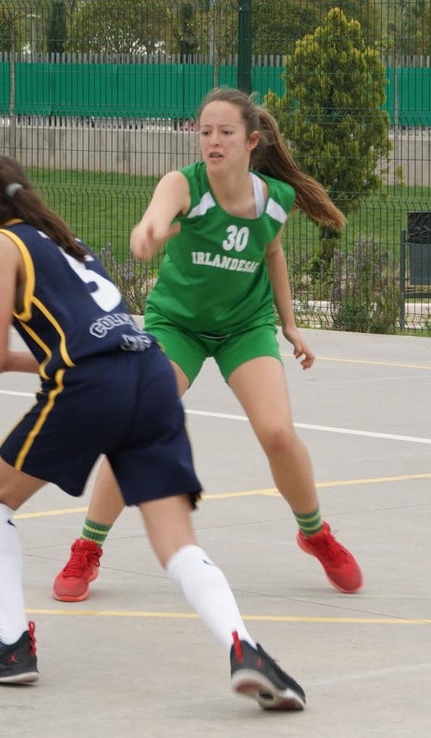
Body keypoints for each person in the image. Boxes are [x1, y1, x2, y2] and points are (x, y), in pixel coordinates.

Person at [0, 154, 306, 709]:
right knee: (177, 544)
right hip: (149, 375)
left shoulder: (1, 243)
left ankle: (10, 644)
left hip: (92, 386)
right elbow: (57, 350)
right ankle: (248, 649)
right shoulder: (67, 244)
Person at [52, 87, 362, 603]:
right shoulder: (185, 184)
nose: (212, 141)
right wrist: (146, 235)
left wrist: (289, 325)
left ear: (251, 141)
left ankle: (315, 534)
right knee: (135, 429)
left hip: (245, 325)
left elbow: (273, 253)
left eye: (225, 133)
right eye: (205, 132)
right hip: (179, 325)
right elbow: (154, 216)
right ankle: (87, 547)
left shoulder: (272, 199)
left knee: (279, 433)